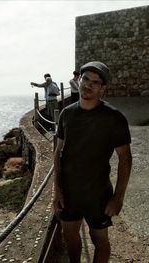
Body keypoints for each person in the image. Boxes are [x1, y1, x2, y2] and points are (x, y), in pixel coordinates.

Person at [53, 61, 132, 263]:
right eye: (85, 78)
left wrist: (118, 198)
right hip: (69, 192)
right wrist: (57, 191)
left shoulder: (114, 118)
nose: (88, 85)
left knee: (100, 241)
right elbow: (58, 152)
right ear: (78, 80)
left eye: (95, 82)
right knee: (70, 238)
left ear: (102, 89)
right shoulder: (66, 114)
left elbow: (125, 158)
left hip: (98, 193)